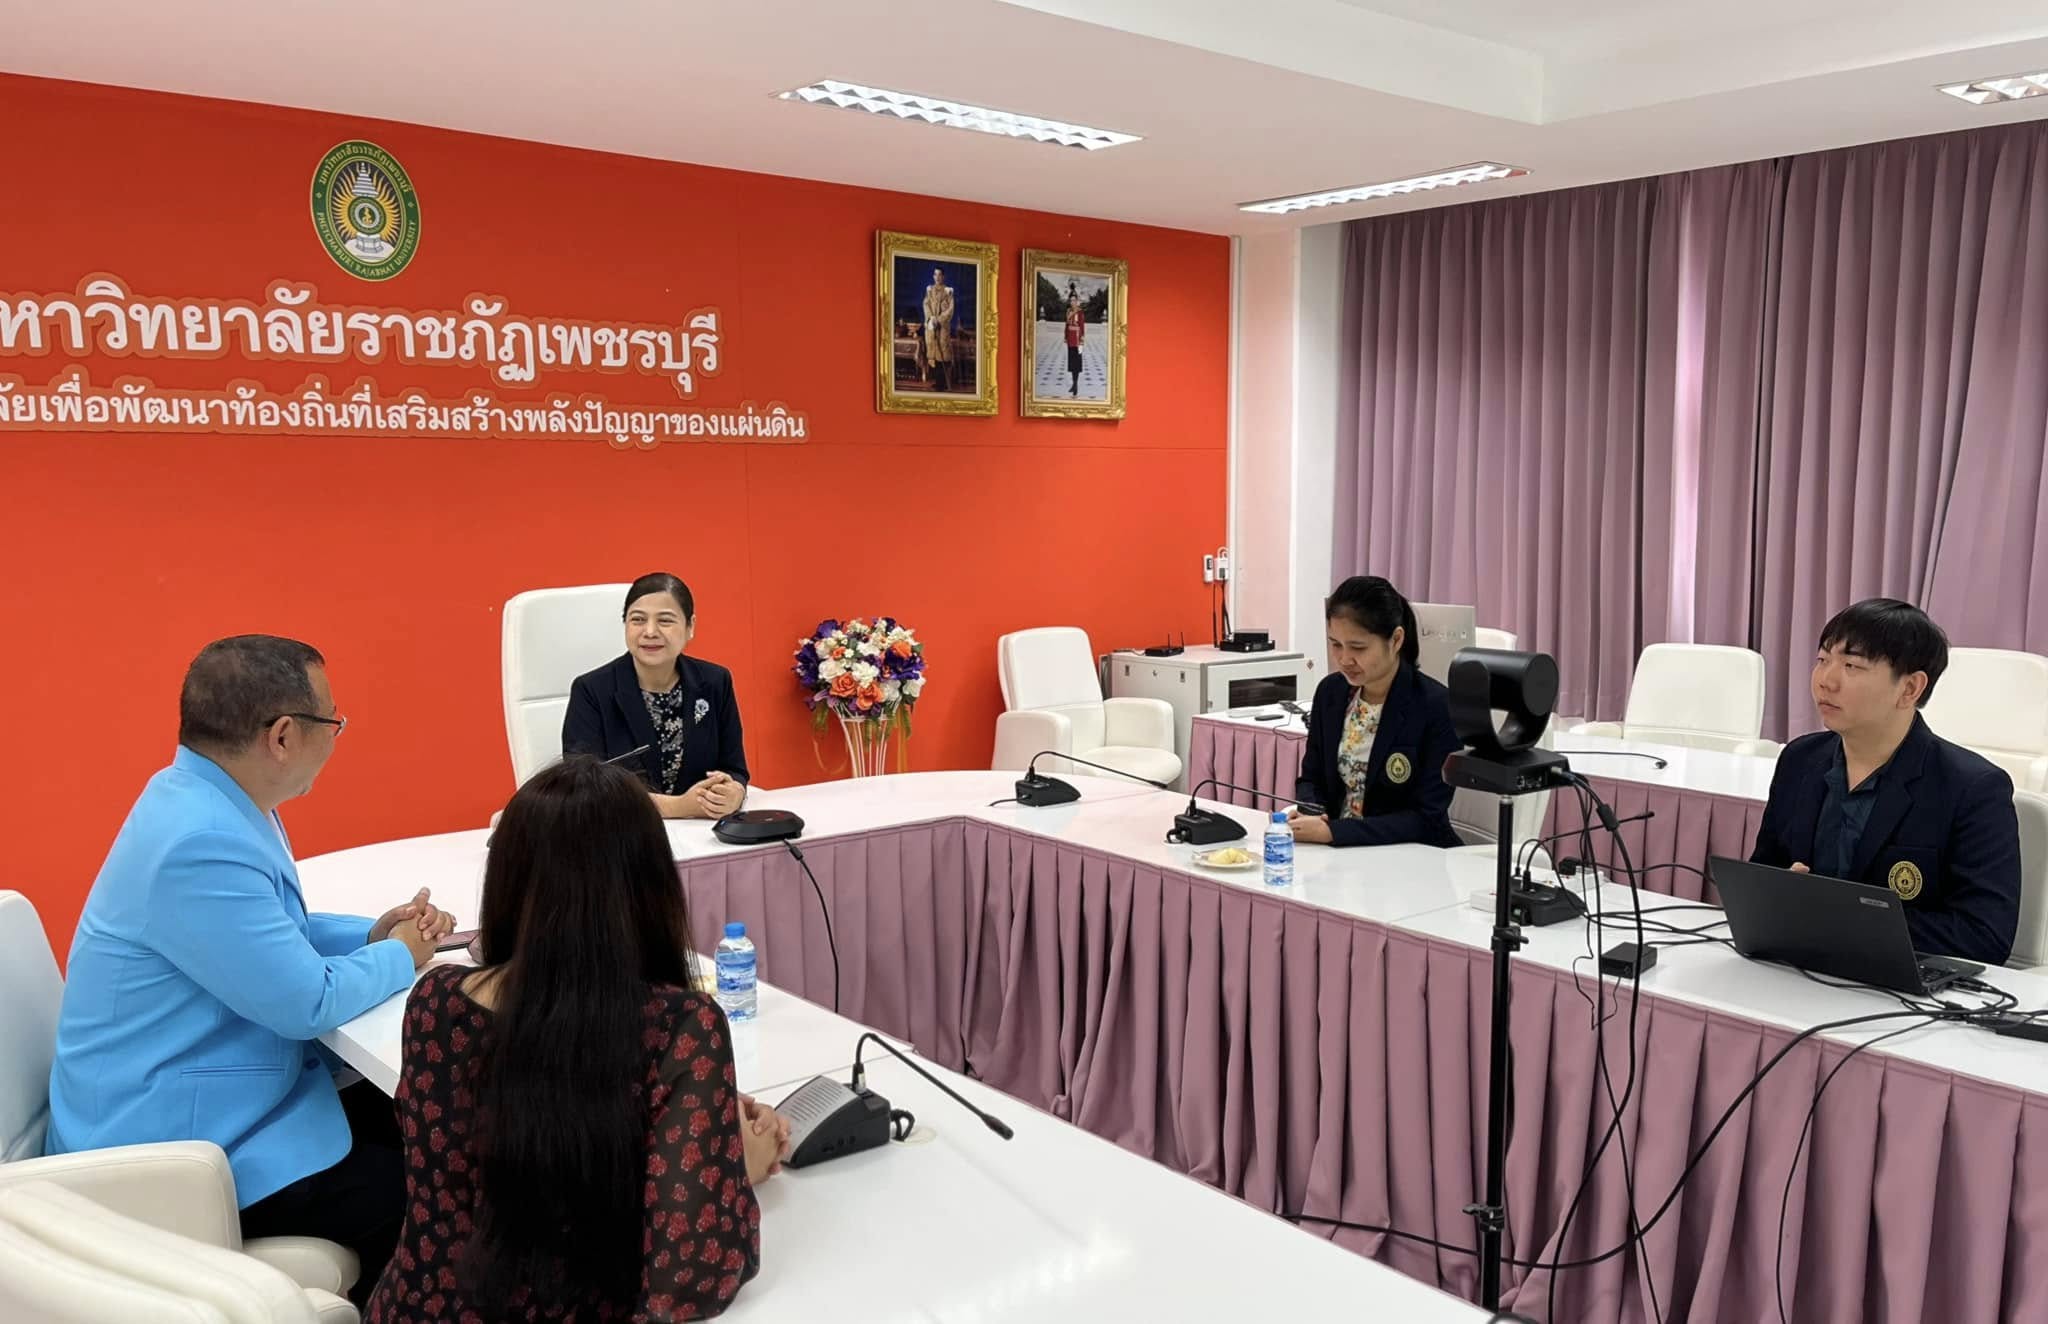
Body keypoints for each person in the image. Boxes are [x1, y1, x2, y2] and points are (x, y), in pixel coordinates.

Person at [46, 635, 453, 1308]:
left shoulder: (200, 795)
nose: (337, 735)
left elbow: (264, 929)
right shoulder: (200, 840)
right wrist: (399, 954)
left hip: (198, 1093)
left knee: (424, 1120)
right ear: (283, 736)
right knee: (429, 1191)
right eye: (333, 720)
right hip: (170, 1149)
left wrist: (370, 934)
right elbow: (306, 1003)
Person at [364, 757, 786, 1322]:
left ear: (507, 880)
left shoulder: (436, 1001)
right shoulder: (678, 1027)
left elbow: (504, 1170)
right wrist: (730, 1171)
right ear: (648, 884)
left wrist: (700, 1126)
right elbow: (688, 1279)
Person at [1750, 598, 2021, 964]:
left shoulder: (1973, 788)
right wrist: (1778, 893)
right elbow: (1763, 874)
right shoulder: (1800, 759)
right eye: (1823, 660)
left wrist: (1840, 919)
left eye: (1852, 665)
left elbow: (1985, 936)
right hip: (1797, 966)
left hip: (1898, 982)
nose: (1826, 680)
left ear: (1910, 689)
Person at [1292, 576, 1463, 848]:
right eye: (1335, 644)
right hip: (1337, 853)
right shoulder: (1330, 693)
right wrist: (1312, 812)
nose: (1344, 659)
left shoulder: (1436, 706)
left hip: (1412, 855)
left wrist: (1334, 832)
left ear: (1396, 640)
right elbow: (1311, 778)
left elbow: (1426, 817)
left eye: (1358, 647)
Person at [563, 573, 748, 820]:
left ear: (690, 626)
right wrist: (678, 807)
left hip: (701, 831)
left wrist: (735, 792)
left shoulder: (715, 682)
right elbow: (583, 787)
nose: (650, 631)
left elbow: (734, 768)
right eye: (638, 620)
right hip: (624, 831)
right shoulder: (591, 690)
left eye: (665, 620)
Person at [923, 266, 957, 392]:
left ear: (943, 276)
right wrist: (931, 318)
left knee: (943, 352)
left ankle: (943, 383)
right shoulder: (929, 290)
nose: (937, 277)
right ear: (933, 276)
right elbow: (926, 304)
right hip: (932, 326)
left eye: (939, 275)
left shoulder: (948, 292)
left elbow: (950, 310)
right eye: (935, 274)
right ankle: (938, 382)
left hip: (943, 327)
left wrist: (939, 319)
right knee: (933, 351)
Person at [1064, 294, 1086, 397]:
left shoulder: (1080, 312)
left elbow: (1082, 327)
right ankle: (1073, 384)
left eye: (1074, 300)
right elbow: (1066, 325)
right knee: (1072, 364)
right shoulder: (1068, 311)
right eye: (1071, 300)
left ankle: (1076, 385)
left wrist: (1081, 342)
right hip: (1070, 341)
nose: (1072, 302)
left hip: (1077, 341)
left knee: (1076, 365)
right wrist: (1065, 337)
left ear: (1077, 302)